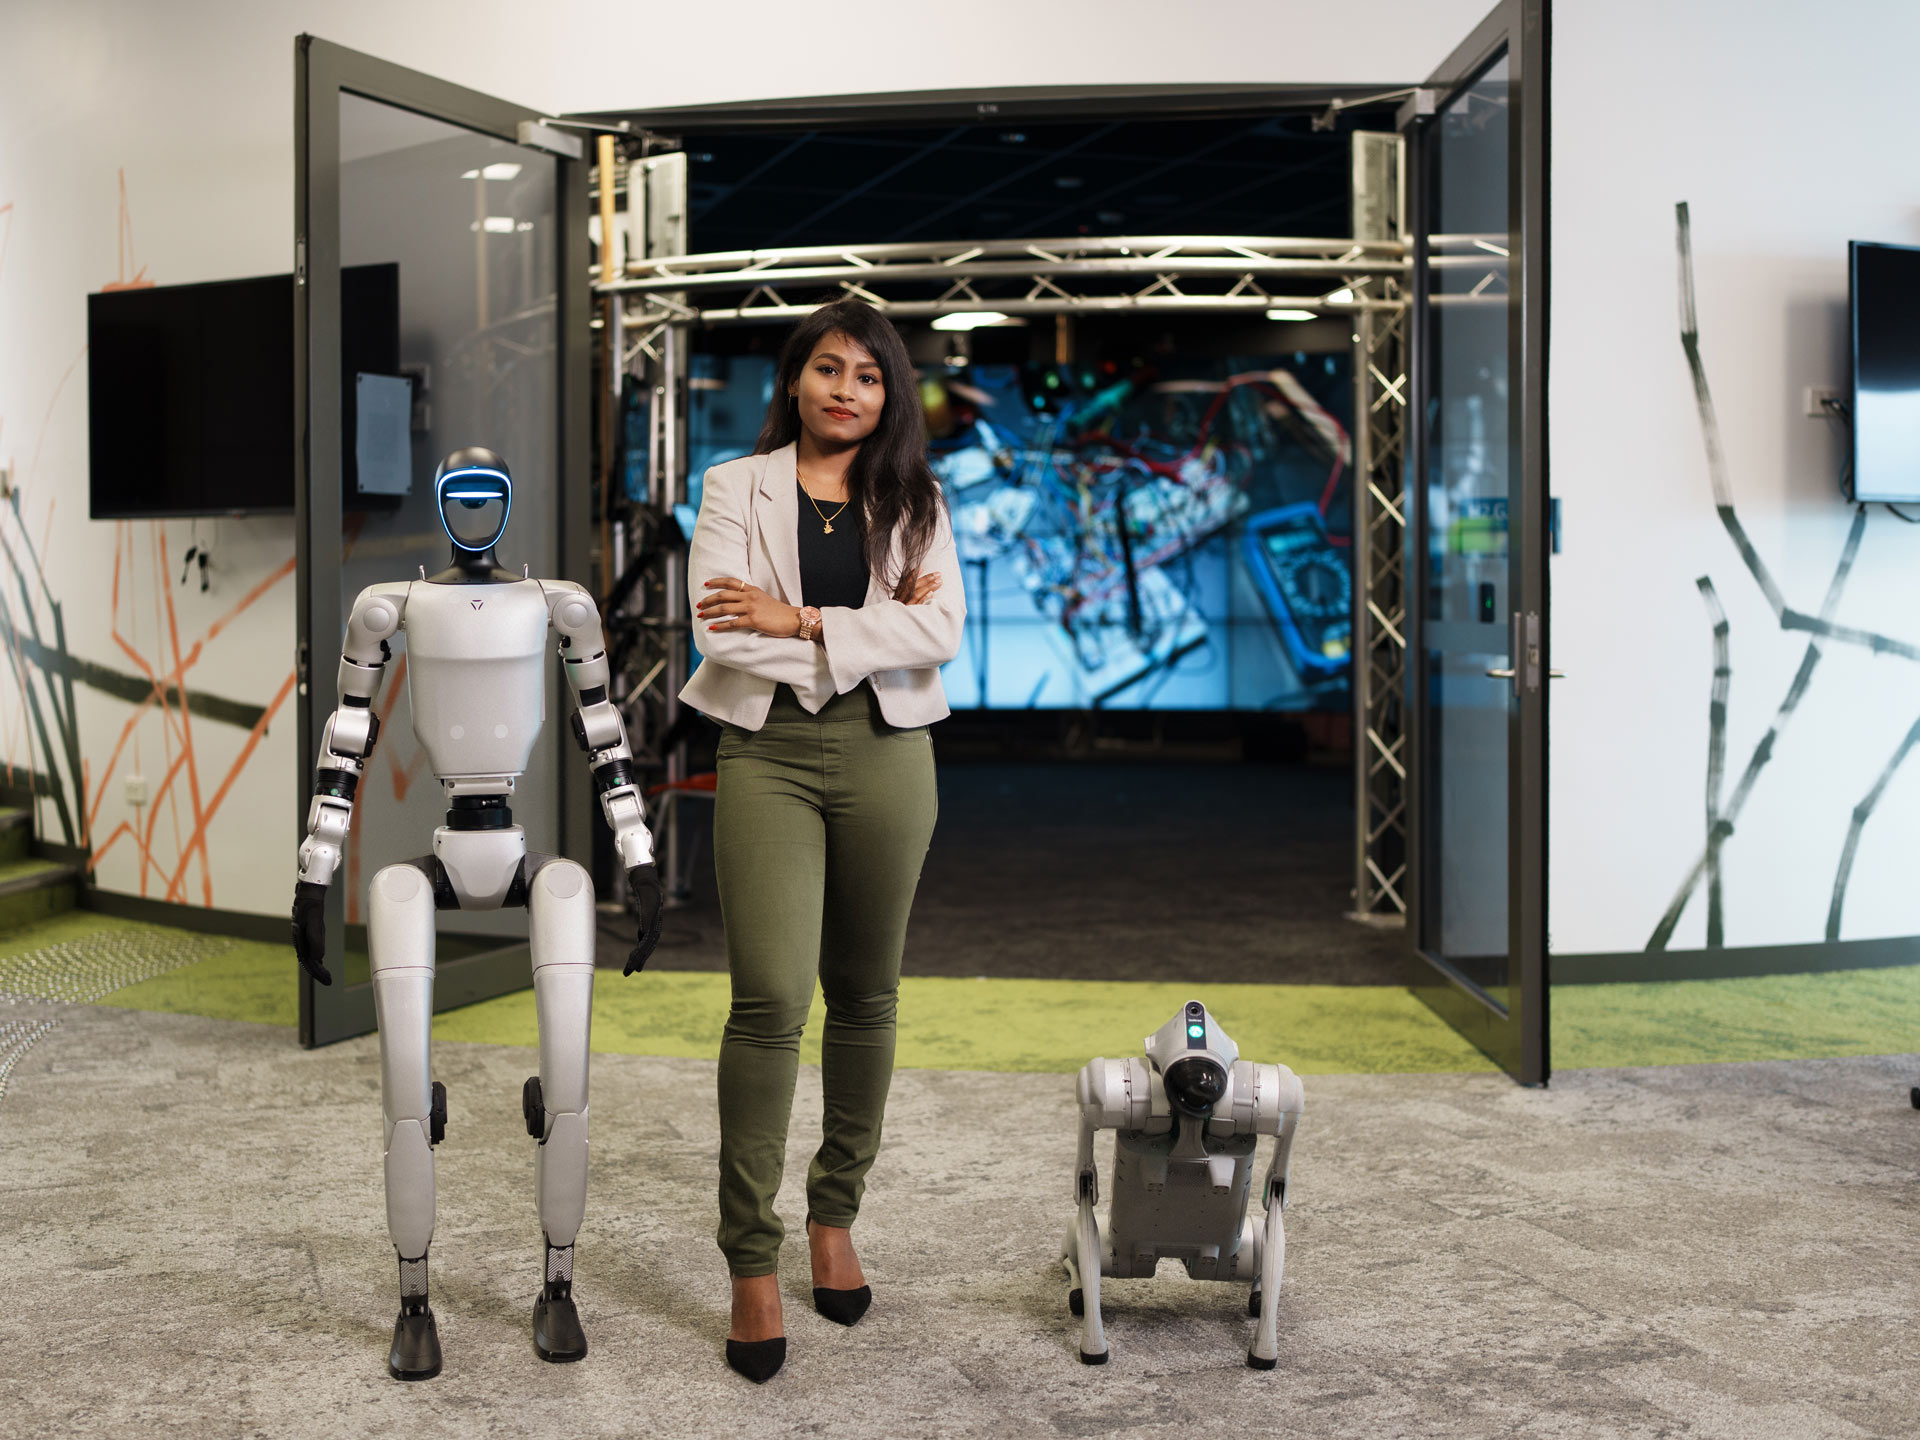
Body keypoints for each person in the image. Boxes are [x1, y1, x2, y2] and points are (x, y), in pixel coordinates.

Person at [678, 298, 964, 1383]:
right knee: (768, 1000)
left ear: (889, 395)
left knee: (869, 991)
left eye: (870, 377)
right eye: (829, 369)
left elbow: (942, 633)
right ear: (795, 378)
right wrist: (871, 631)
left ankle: (833, 1214)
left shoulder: (917, 498)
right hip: (768, 758)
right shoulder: (729, 487)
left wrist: (795, 620)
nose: (849, 390)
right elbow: (719, 634)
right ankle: (751, 1259)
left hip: (892, 755)